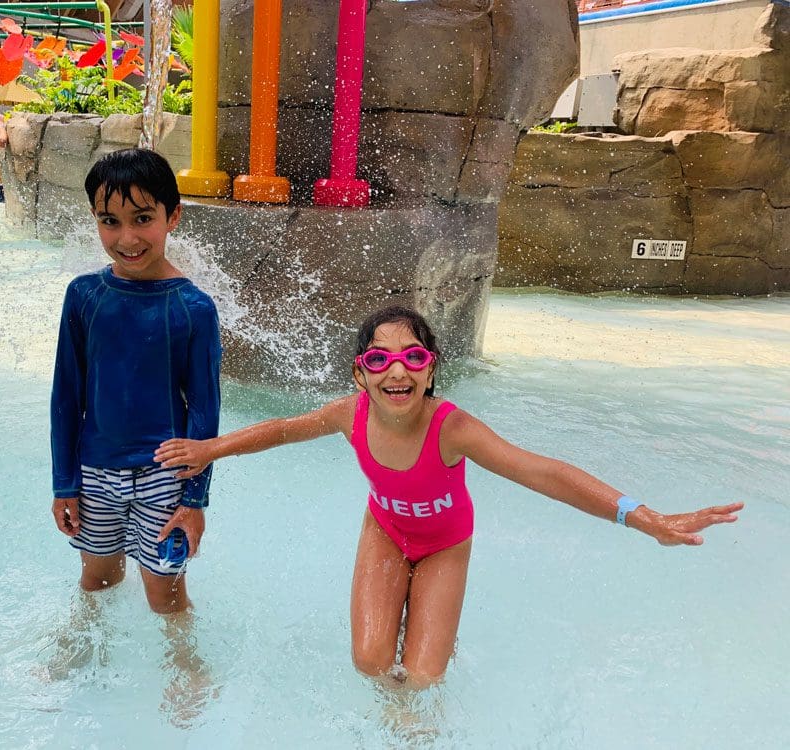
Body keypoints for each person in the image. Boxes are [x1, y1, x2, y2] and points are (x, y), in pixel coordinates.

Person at [155, 305, 744, 688]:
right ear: (360, 375)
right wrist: (212, 449)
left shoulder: (451, 429)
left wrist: (642, 517)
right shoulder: (348, 416)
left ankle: (432, 640)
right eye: (379, 358)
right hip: (385, 532)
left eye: (413, 356)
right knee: (370, 663)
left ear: (431, 370)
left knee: (423, 677)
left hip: (444, 547)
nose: (397, 370)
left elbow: (541, 472)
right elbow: (282, 429)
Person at [50, 148, 222, 618]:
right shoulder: (84, 295)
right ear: (95, 219)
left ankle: (185, 668)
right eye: (110, 221)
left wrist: (195, 500)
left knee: (164, 594)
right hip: (95, 474)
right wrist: (64, 483)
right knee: (96, 579)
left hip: (164, 479)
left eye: (143, 218)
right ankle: (87, 652)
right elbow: (66, 394)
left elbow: (205, 413)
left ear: (173, 217)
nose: (127, 237)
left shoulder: (194, 308)